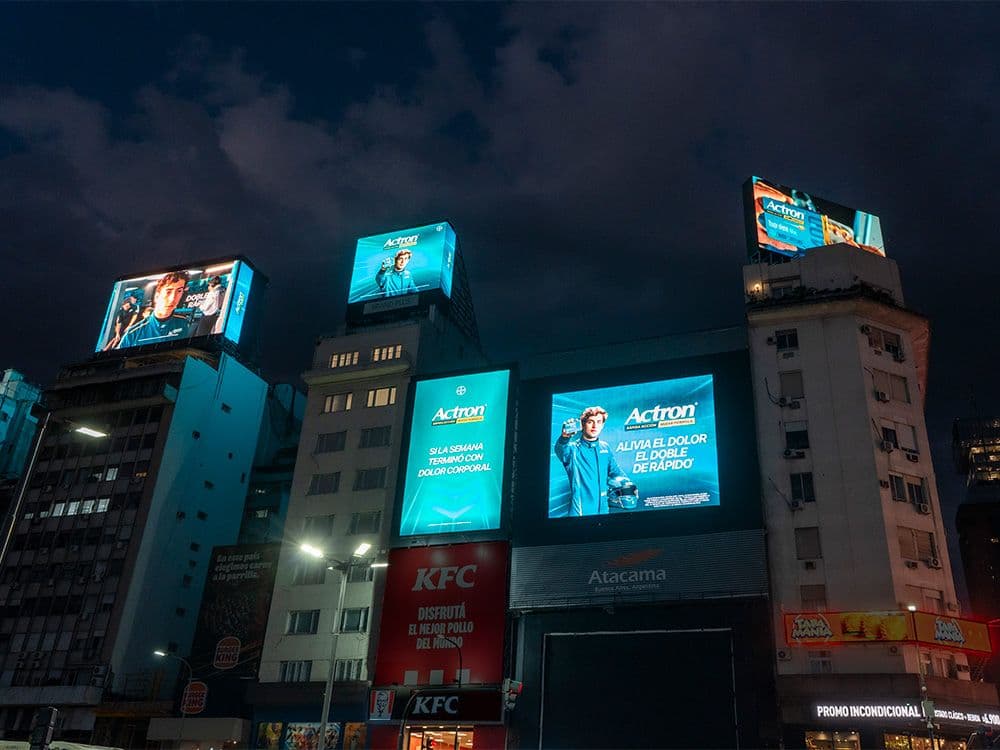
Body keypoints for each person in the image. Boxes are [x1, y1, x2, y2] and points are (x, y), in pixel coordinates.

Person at [554, 405, 631, 516]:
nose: (595, 426)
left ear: (603, 425)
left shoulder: (605, 447)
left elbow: (616, 471)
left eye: (599, 422)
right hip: (580, 514)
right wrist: (564, 438)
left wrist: (627, 484)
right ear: (583, 424)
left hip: (603, 511)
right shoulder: (572, 449)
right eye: (590, 422)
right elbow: (560, 450)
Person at [117, 272, 192, 349]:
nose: (173, 298)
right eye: (168, 292)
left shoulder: (183, 323)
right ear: (157, 296)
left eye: (179, 291)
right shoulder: (132, 334)